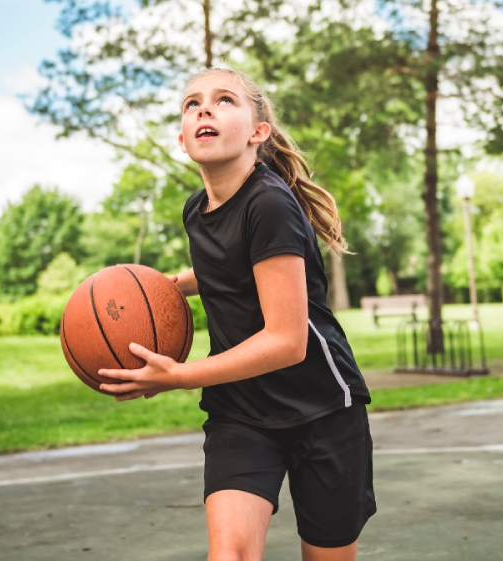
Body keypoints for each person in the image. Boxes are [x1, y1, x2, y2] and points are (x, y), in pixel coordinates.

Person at [98, 68, 375, 561]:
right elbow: (230, 262)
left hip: (321, 409)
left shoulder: (269, 203)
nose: (204, 108)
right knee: (230, 554)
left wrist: (179, 376)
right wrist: (172, 286)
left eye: (225, 100)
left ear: (257, 131)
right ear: (183, 139)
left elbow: (287, 341)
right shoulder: (196, 210)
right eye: (192, 103)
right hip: (241, 411)